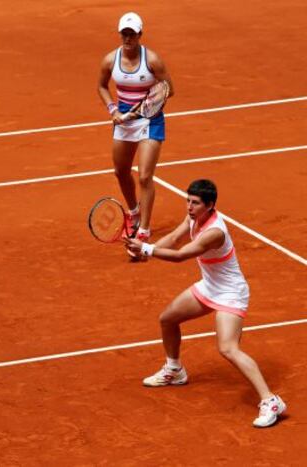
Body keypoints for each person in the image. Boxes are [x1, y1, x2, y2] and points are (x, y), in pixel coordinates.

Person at [125, 179, 286, 428]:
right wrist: (150, 249)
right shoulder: (193, 217)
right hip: (209, 286)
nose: (189, 206)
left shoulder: (214, 232)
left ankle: (271, 401)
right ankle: (175, 369)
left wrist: (147, 249)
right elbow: (175, 239)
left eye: (195, 203)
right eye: (188, 201)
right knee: (168, 319)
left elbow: (180, 256)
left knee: (228, 348)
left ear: (210, 205)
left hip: (230, 293)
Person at [97, 12, 174, 244]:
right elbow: (101, 86)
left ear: (140, 34)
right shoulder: (110, 60)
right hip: (125, 122)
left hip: (151, 122)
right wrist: (113, 110)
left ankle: (144, 231)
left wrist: (146, 108)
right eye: (124, 33)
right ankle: (133, 213)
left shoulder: (152, 60)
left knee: (144, 176)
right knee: (120, 171)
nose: (128, 37)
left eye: (132, 33)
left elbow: (168, 88)